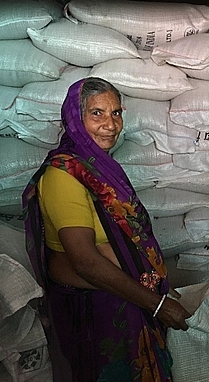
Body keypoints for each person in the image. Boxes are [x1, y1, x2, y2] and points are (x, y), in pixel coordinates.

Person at [23, 77, 191, 382]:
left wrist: (158, 288)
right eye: (97, 113)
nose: (110, 124)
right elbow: (84, 260)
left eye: (116, 113)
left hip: (125, 294)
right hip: (95, 308)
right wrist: (157, 304)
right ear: (74, 118)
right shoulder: (64, 176)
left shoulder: (101, 168)